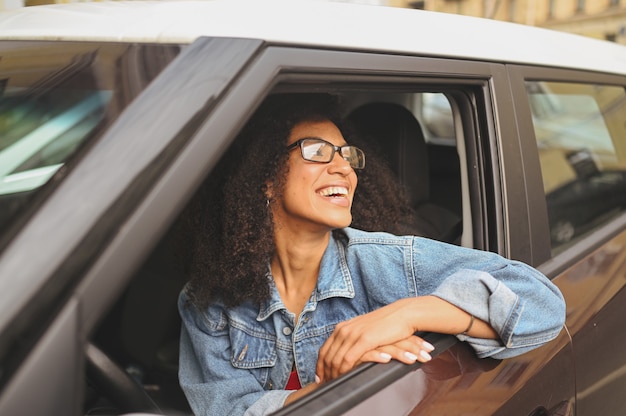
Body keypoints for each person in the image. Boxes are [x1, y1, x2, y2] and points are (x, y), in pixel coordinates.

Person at [177, 93, 566, 415]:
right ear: (264, 176)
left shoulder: (385, 262)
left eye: (347, 155)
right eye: (317, 151)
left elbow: (543, 304)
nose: (344, 168)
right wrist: (325, 389)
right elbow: (225, 410)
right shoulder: (210, 300)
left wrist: (405, 314)